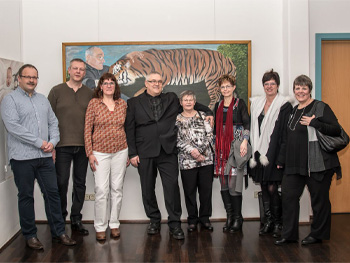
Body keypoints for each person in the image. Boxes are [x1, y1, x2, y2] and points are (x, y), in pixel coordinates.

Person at [125, 71, 213, 240]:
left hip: (168, 150)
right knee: (147, 188)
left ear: (162, 84)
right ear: (146, 83)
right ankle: (154, 220)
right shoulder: (134, 103)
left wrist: (208, 111)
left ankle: (175, 224)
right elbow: (129, 128)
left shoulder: (172, 98)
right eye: (152, 81)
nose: (156, 84)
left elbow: (190, 105)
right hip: (144, 151)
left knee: (172, 187)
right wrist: (133, 152)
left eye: (159, 81)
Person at [1, 64, 76, 250]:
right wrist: (40, 142)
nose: (31, 80)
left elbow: (53, 123)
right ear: (19, 78)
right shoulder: (9, 100)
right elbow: (13, 127)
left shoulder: (42, 100)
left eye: (34, 77)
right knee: (26, 196)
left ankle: (59, 232)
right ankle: (30, 235)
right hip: (21, 158)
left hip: (44, 157)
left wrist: (53, 142)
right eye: (28, 77)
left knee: (53, 194)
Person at [275, 75, 342, 246]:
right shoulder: (293, 110)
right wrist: (281, 160)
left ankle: (318, 234)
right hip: (294, 164)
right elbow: (286, 138)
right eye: (297, 88)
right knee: (288, 197)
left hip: (317, 164)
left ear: (309, 89)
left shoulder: (320, 107)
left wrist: (316, 123)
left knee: (319, 201)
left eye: (304, 88)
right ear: (294, 90)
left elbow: (336, 130)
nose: (300, 91)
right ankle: (289, 234)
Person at [48, 58, 93, 235]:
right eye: (75, 68)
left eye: (81, 69)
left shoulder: (89, 93)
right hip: (61, 146)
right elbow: (47, 118)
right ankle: (60, 220)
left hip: (83, 146)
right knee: (61, 183)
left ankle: (76, 218)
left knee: (80, 183)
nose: (78, 72)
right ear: (69, 70)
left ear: (85, 73)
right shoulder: (56, 91)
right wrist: (50, 145)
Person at [84, 72, 129, 241]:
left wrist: (128, 152)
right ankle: (100, 226)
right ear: (100, 86)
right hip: (100, 153)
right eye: (106, 83)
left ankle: (114, 223)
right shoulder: (94, 104)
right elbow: (87, 129)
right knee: (101, 190)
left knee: (117, 189)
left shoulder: (122, 104)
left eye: (112, 83)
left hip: (120, 151)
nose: (109, 85)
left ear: (115, 86)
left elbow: (128, 128)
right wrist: (90, 153)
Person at [249, 69, 293, 237]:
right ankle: (267, 221)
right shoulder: (257, 104)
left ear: (278, 85)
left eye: (272, 84)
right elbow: (254, 128)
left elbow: (284, 133)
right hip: (259, 152)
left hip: (274, 152)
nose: (269, 87)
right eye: (266, 84)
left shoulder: (284, 105)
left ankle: (278, 222)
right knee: (264, 187)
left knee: (273, 188)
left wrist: (281, 157)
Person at [214, 74, 250, 233]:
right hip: (221, 147)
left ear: (234, 87)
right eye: (223, 87)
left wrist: (244, 141)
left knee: (234, 185)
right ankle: (229, 217)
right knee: (223, 185)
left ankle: (238, 218)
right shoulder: (218, 105)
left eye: (228, 86)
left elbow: (247, 123)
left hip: (236, 146)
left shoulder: (239, 103)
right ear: (220, 89)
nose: (225, 89)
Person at [176, 90, 214, 232]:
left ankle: (205, 218)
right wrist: (192, 151)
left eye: (190, 100)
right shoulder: (176, 119)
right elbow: (177, 140)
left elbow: (210, 135)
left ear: (194, 101)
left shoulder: (203, 116)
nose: (188, 102)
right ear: (181, 102)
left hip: (206, 160)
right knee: (189, 191)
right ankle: (192, 219)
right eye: (185, 100)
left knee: (206, 191)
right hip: (187, 162)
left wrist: (201, 151)